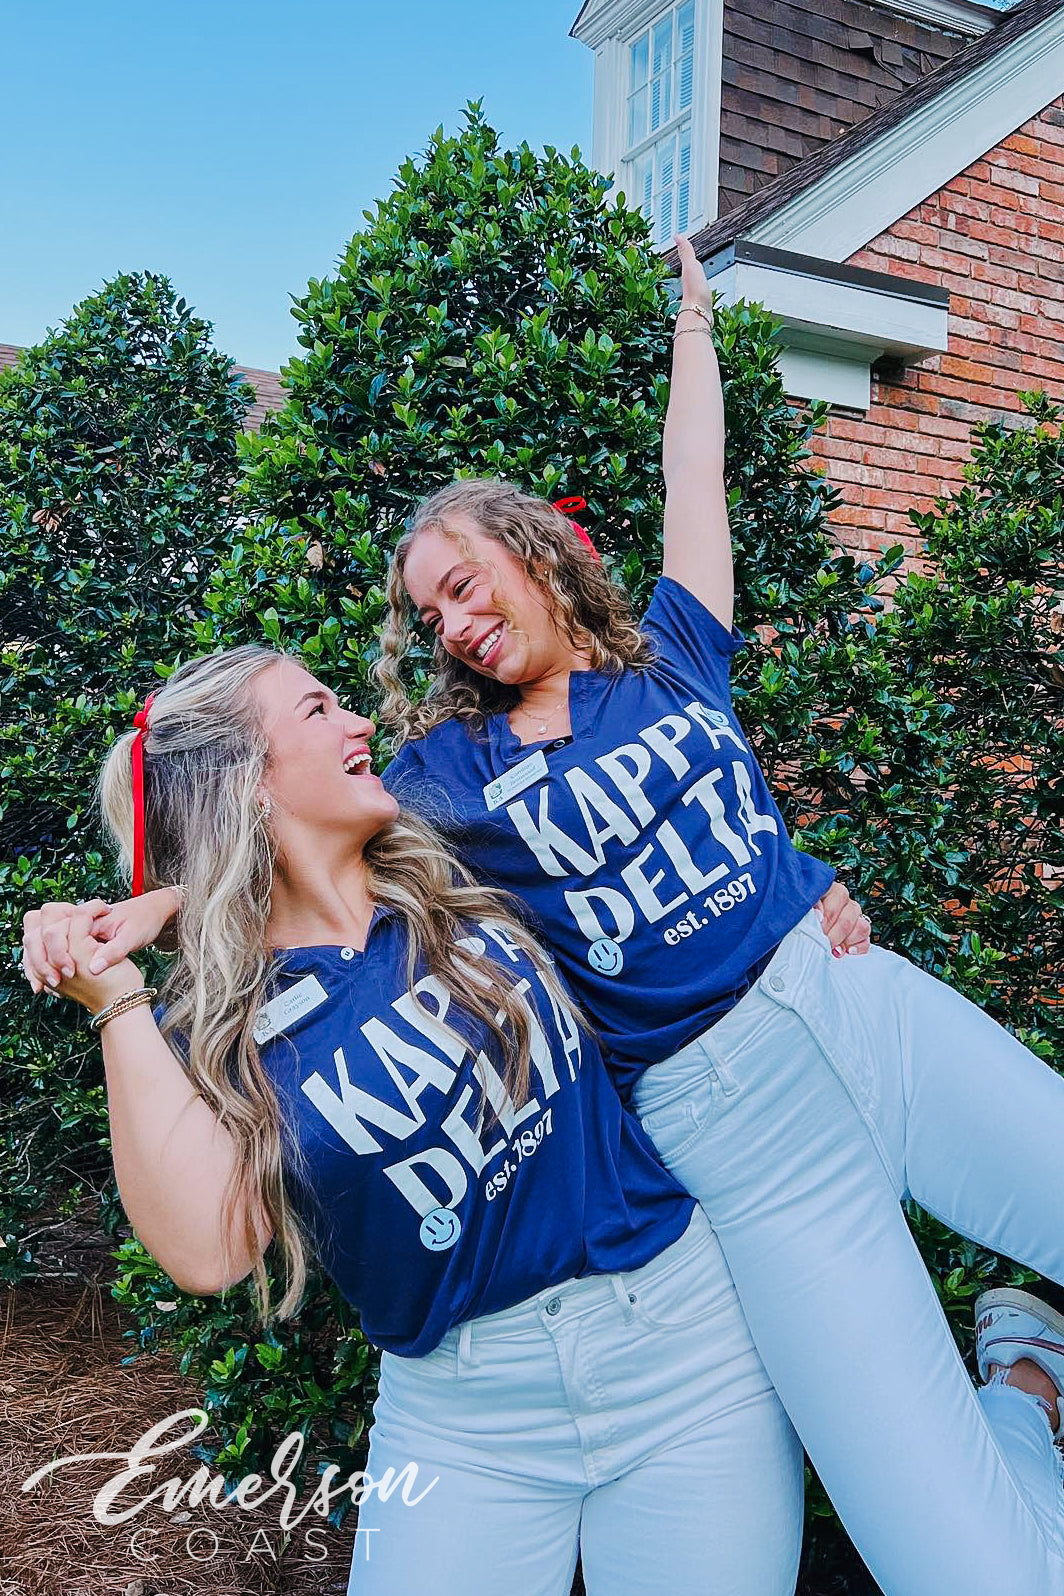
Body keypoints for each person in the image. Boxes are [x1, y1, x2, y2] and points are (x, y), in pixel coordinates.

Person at [359, 235, 1064, 1593]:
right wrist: (149, 914)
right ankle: (1027, 1384)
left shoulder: (674, 654)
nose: (450, 622)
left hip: (862, 1008)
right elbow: (298, 838)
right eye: (428, 613)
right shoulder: (443, 776)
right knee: (965, 1576)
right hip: (742, 1147)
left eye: (462, 581)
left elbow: (696, 478)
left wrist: (695, 325)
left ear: (530, 550)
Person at [22, 644, 813, 1596]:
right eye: (318, 710)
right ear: (247, 782)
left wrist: (807, 908)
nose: (360, 722)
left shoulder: (460, 860)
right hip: (463, 1420)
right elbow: (209, 1252)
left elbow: (671, 862)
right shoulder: (219, 1028)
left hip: (684, 1351)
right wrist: (114, 996)